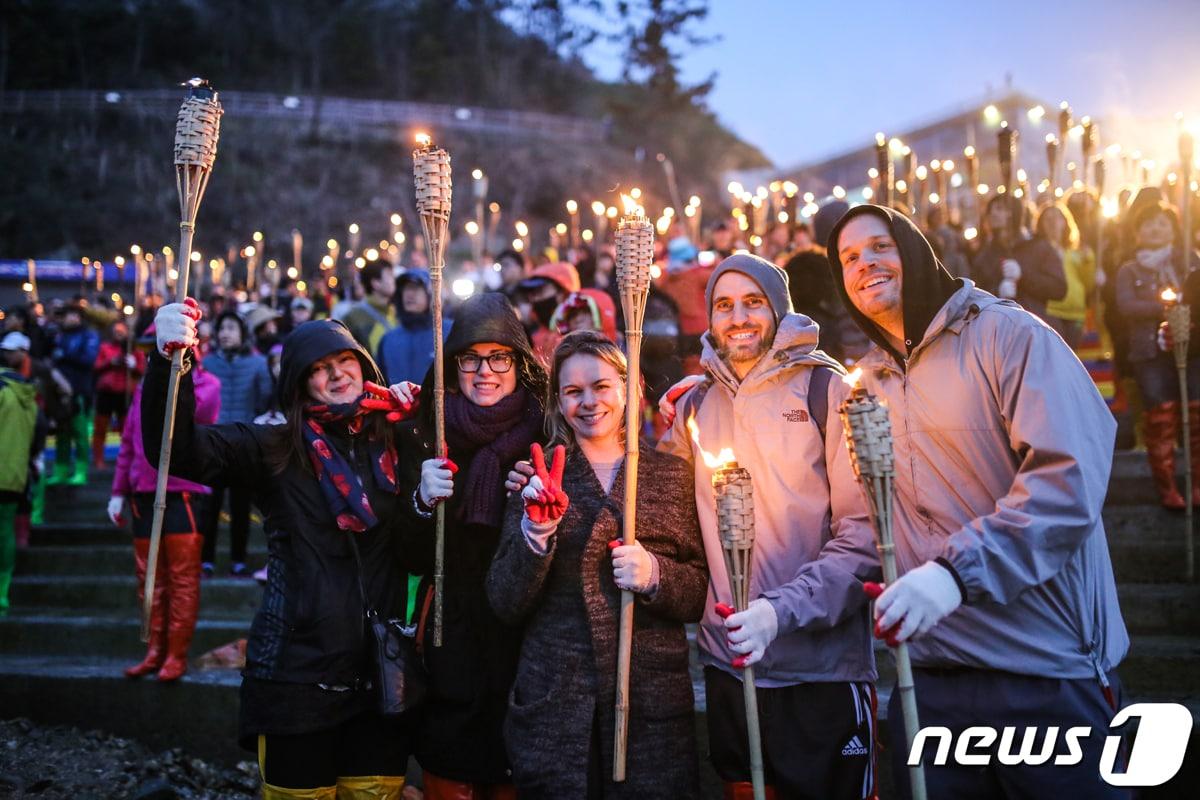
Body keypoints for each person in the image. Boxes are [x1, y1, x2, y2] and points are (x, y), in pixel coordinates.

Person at [827, 204, 1128, 798]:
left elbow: (1065, 480)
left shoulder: (1009, 337)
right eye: (849, 257)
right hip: (934, 681)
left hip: (1043, 668)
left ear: (914, 251)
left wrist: (953, 575)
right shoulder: (864, 383)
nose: (866, 264)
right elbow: (863, 527)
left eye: (880, 246)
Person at [148, 301, 418, 799]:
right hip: (295, 679)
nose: (335, 374)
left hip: (381, 676)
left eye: (344, 361)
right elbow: (179, 450)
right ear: (299, 384)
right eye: (318, 369)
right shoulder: (272, 446)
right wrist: (169, 364)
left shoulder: (397, 438)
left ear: (365, 365)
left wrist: (417, 426)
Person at [656, 253, 879, 799]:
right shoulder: (697, 404)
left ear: (778, 311)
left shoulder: (827, 392)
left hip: (819, 668)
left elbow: (865, 536)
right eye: (724, 305)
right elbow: (668, 517)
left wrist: (780, 613)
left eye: (753, 303)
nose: (738, 318)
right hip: (731, 666)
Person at [487, 330, 707, 799]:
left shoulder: (670, 475)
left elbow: (700, 592)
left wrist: (656, 576)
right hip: (558, 711)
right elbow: (504, 601)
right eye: (573, 391)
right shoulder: (539, 475)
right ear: (557, 402)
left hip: (649, 709)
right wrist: (536, 534)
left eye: (601, 386)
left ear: (629, 388)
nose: (589, 402)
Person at [401, 292, 547, 798]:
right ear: (453, 364)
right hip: (451, 627)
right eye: (470, 358)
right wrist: (421, 501)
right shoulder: (425, 431)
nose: (485, 370)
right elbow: (408, 554)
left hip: (524, 628)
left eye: (499, 357)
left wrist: (534, 507)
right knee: (451, 753)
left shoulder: (549, 431)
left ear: (519, 361)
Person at [109, 326, 219, 681]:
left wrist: (180, 374)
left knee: (182, 579)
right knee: (149, 579)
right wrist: (117, 491)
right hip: (143, 493)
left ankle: (176, 655)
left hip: (182, 494)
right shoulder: (143, 389)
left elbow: (200, 415)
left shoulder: (207, 384)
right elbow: (128, 442)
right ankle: (154, 650)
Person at [1115, 201, 1200, 509]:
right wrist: (1165, 305)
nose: (1156, 229)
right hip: (1148, 351)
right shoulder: (1129, 270)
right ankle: (1167, 487)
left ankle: (1196, 483)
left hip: (1190, 348)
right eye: (1148, 224)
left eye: (1162, 223)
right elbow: (1126, 306)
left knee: (1195, 413)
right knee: (1160, 416)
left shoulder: (1188, 261)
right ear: (1137, 232)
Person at [202, 309, 273, 576]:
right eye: (222, 328)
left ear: (243, 333)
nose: (225, 333)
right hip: (212, 440)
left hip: (244, 442)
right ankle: (205, 557)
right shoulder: (207, 363)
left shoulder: (257, 364)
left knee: (241, 506)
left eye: (232, 328)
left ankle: (238, 559)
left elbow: (265, 397)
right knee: (210, 504)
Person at [0, 332, 45, 616]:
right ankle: (2, 592)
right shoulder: (29, 394)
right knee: (5, 532)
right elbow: (38, 433)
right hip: (14, 474)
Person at [971, 193, 1068, 323]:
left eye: (999, 209)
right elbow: (974, 294)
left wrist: (1023, 276)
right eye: (991, 210)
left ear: (1014, 213)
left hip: (1035, 327)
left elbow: (1059, 288)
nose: (993, 214)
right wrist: (996, 291)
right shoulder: (985, 255)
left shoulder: (1038, 247)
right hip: (1000, 328)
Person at [48, 303, 100, 486]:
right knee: (62, 432)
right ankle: (60, 471)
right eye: (67, 315)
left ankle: (80, 471)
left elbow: (88, 360)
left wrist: (64, 356)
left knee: (79, 432)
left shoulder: (89, 335)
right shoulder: (59, 335)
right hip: (59, 392)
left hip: (79, 390)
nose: (69, 318)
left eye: (73, 314)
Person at [376, 269, 449, 387]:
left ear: (431, 293)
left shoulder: (449, 332)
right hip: (398, 405)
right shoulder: (388, 340)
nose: (409, 294)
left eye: (415, 288)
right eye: (405, 289)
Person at [1040, 202, 1097, 349]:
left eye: (1057, 218)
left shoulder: (1075, 252)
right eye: (1048, 218)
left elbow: (1088, 283)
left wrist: (1088, 262)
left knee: (1072, 355)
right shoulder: (1039, 251)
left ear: (1065, 222)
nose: (1053, 222)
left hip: (1075, 313)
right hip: (1051, 310)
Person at [92, 320, 144, 469]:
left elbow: (142, 370)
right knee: (100, 427)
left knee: (126, 429)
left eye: (121, 332)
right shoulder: (105, 347)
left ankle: (126, 459)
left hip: (125, 393)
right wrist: (111, 362)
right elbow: (97, 366)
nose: (118, 335)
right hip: (106, 392)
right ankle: (98, 459)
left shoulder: (134, 350)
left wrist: (134, 365)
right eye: (116, 332)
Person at [343, 258, 398, 354]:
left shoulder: (399, 312)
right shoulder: (353, 318)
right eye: (389, 276)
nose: (394, 280)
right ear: (376, 283)